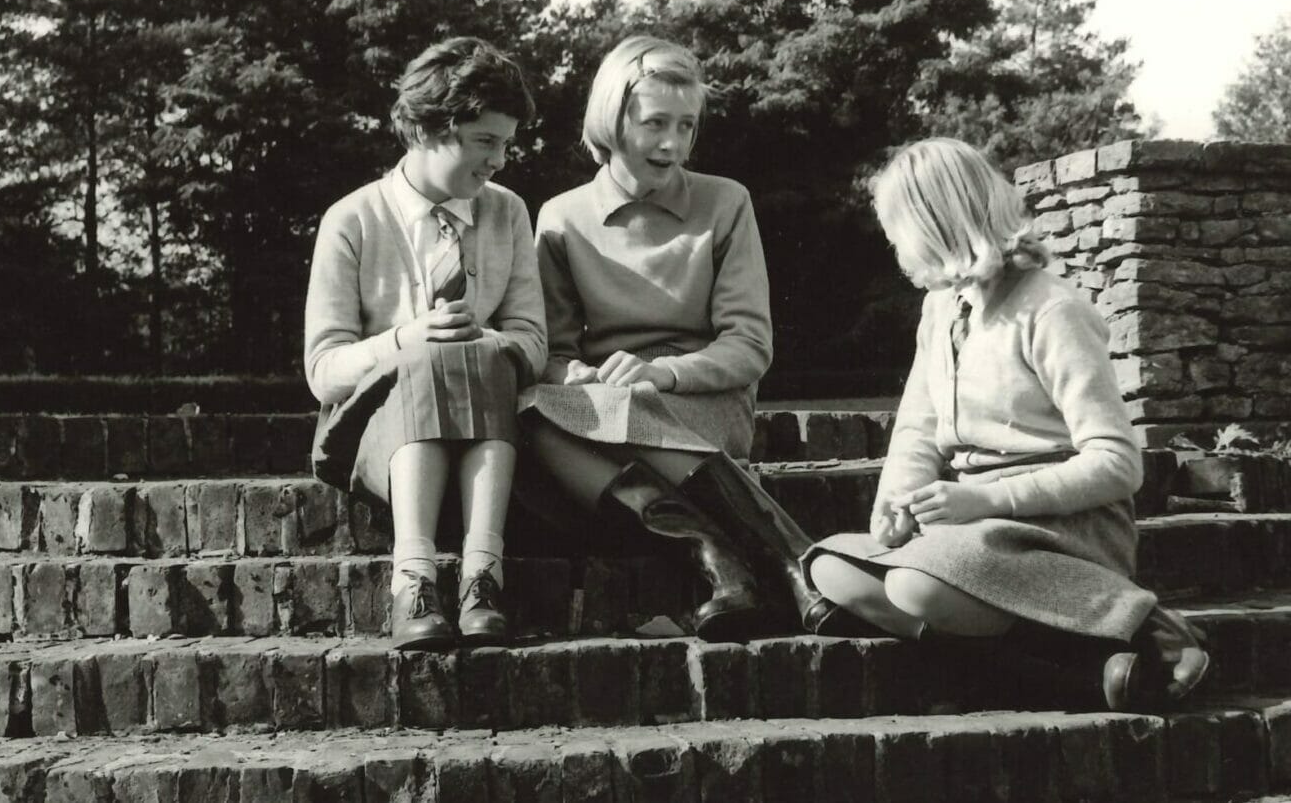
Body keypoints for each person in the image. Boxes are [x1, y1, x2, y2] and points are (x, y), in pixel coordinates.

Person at [804, 137, 1210, 710]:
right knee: (829, 569)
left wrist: (988, 503)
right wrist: (892, 507)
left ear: (937, 223)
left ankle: (1129, 615)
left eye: (898, 233)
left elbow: (1117, 464)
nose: (894, 250)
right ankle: (1085, 671)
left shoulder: (1051, 310)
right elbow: (918, 429)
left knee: (911, 587)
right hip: (971, 530)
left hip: (1062, 528)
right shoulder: (941, 308)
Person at [519, 35, 846, 641]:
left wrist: (661, 374)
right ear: (612, 121)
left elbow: (749, 346)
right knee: (531, 413)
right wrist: (579, 377)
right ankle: (720, 557)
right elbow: (553, 355)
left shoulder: (726, 203)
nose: (673, 143)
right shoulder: (561, 217)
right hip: (607, 409)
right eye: (655, 124)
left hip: (704, 401)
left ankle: (779, 561)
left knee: (617, 413)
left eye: (687, 126)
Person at [303, 37, 545, 650]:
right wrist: (407, 341)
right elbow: (324, 370)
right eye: (485, 141)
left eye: (506, 143)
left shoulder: (508, 213)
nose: (499, 161)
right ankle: (413, 579)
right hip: (375, 431)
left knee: (483, 351)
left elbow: (532, 340)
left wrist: (480, 345)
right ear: (427, 129)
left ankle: (481, 578)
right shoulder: (351, 219)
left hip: (482, 419)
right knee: (423, 356)